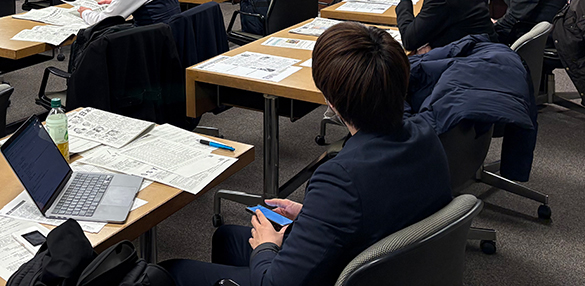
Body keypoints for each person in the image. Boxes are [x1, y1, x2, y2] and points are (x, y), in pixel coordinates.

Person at [162, 22, 452, 286]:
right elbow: (384, 204)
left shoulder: (340, 179)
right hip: (388, 264)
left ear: (331, 101)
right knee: (226, 237)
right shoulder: (425, 133)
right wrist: (314, 216)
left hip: (337, 274)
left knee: (172, 272)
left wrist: (266, 247)